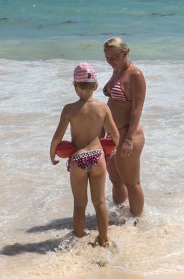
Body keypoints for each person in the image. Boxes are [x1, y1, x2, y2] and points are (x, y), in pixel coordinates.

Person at [50, 62, 119, 247]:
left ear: (75, 86)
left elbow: (57, 137)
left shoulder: (69, 109)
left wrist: (52, 156)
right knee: (100, 202)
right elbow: (115, 136)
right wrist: (111, 151)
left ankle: (79, 238)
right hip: (98, 156)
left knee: (80, 204)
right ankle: (104, 239)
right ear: (96, 86)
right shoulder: (103, 108)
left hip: (78, 158)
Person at [102, 37, 146, 219]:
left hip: (128, 134)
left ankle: (138, 222)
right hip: (112, 136)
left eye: (113, 57)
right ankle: (119, 216)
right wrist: (115, 71)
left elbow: (137, 109)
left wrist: (128, 139)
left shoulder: (135, 75)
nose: (110, 61)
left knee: (131, 182)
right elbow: (106, 90)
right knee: (116, 180)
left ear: (125, 53)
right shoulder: (118, 71)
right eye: (106, 57)